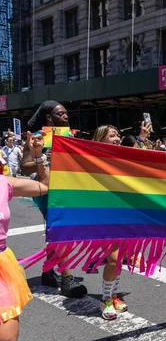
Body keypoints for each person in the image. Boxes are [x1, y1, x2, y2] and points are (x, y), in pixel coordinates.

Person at [21, 100, 87, 298]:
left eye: (66, 113)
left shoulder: (70, 137)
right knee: (60, 231)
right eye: (60, 113)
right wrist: (43, 158)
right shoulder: (36, 137)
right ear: (49, 117)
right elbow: (25, 166)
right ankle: (67, 279)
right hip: (47, 189)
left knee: (60, 231)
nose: (65, 116)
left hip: (67, 188)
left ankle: (48, 272)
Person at [0, 131, 49, 341]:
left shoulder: (4, 184)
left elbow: (43, 186)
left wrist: (37, 154)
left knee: (6, 338)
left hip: (1, 265)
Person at [92, 125, 129, 320]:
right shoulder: (93, 160)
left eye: (118, 134)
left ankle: (114, 295)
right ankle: (105, 299)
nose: (117, 137)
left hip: (123, 214)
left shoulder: (123, 158)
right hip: (103, 215)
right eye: (112, 135)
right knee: (113, 259)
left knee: (119, 259)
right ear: (101, 139)